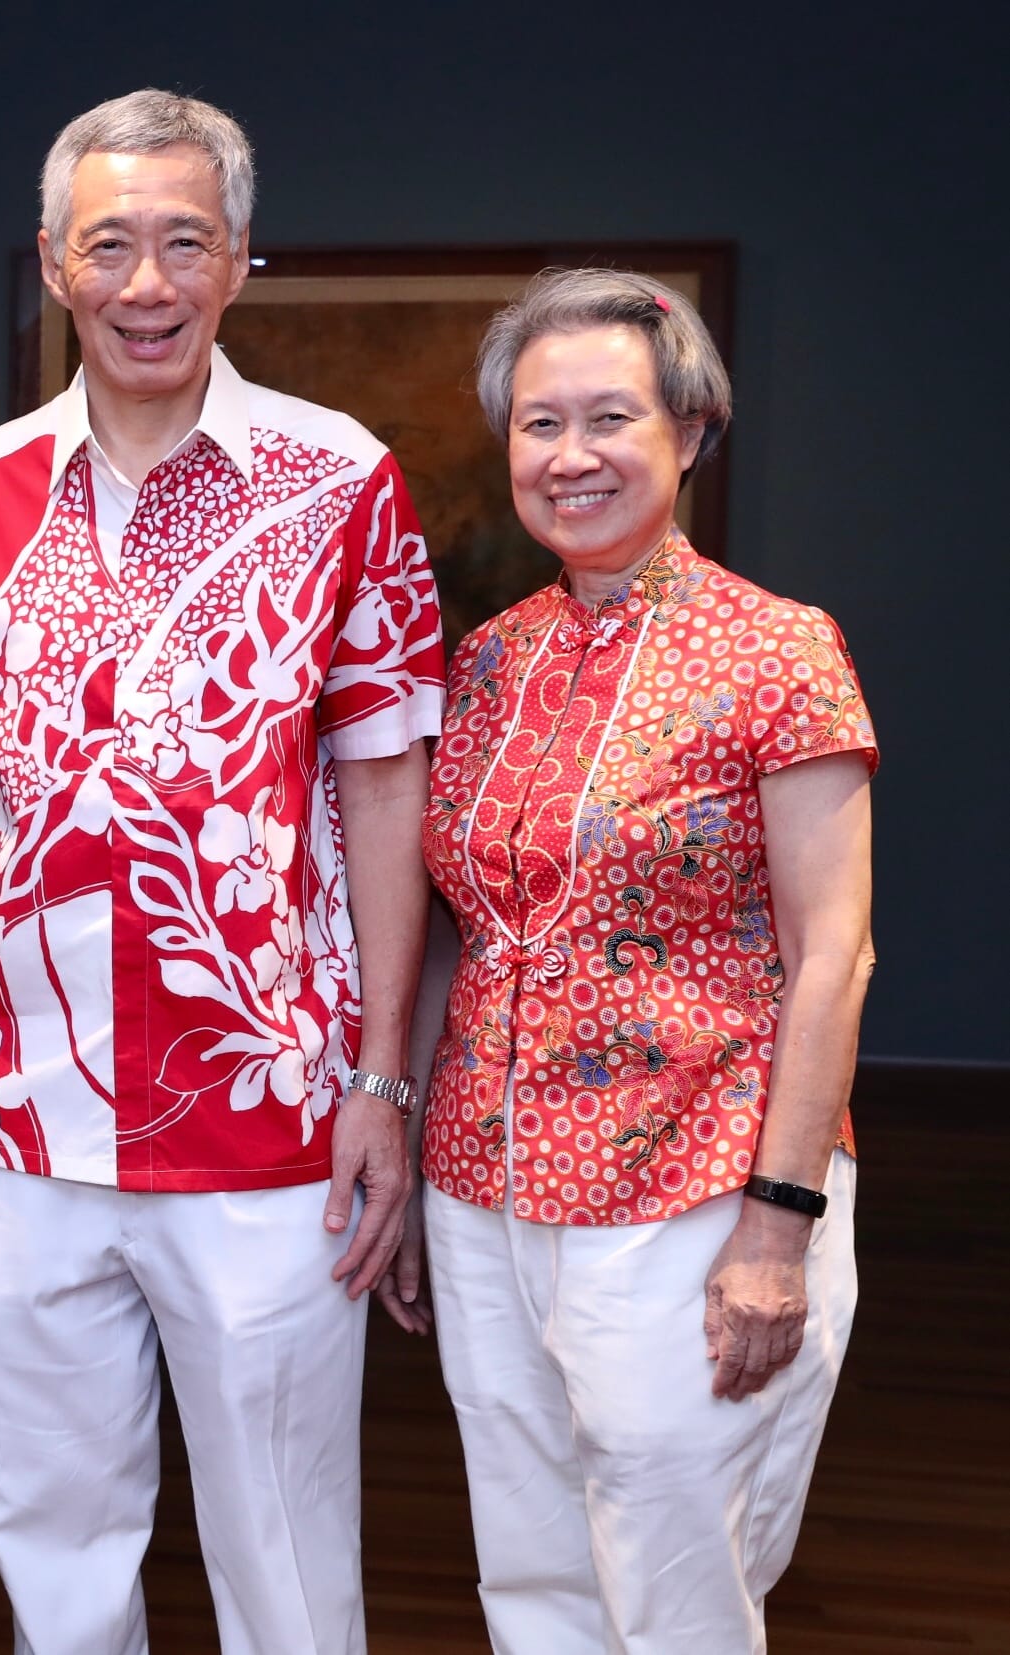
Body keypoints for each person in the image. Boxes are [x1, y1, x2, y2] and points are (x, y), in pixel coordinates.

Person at [0, 91, 443, 1655]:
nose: (148, 283)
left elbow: (387, 787)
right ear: (56, 264)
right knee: (53, 1546)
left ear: (242, 261)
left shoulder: (341, 482)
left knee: (283, 1547)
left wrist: (382, 1082)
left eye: (184, 242)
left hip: (274, 1112)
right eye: (111, 244)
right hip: (19, 1113)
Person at [387, 267, 875, 1653]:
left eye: (610, 415)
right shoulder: (485, 660)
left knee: (674, 1576)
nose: (570, 454)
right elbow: (459, 931)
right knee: (529, 1567)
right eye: (539, 424)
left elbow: (833, 953)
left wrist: (778, 1224)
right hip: (486, 1187)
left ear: (690, 430)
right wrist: (423, 1159)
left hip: (696, 1188)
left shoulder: (778, 649)